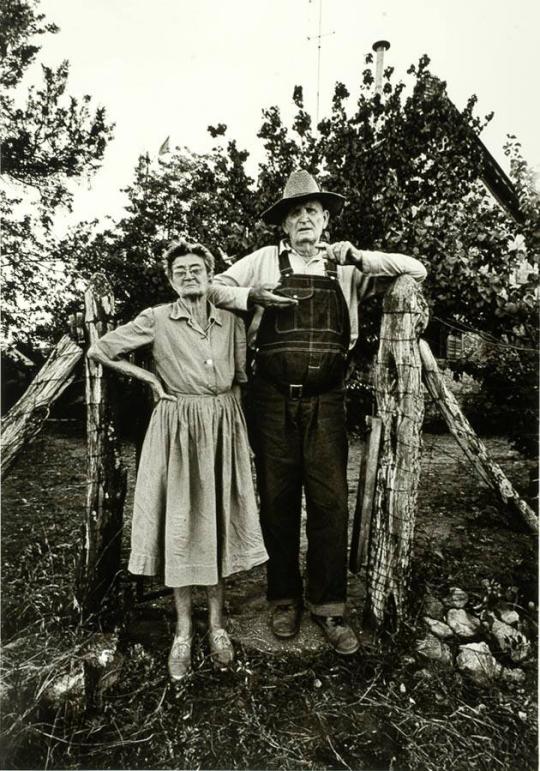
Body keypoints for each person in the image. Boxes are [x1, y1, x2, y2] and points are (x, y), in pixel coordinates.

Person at [214, 169, 427, 655]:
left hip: (328, 400)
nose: (304, 218)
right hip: (271, 401)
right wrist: (252, 296)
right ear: (284, 227)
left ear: (326, 219)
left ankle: (329, 607)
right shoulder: (266, 260)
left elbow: (416, 270)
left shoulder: (347, 268)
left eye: (312, 210)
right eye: (295, 213)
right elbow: (214, 287)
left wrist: (361, 256)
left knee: (330, 502)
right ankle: (285, 598)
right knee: (279, 499)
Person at [87, 239, 275, 682]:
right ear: (171, 280)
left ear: (210, 276)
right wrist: (150, 378)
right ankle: (183, 633)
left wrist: (238, 434)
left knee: (215, 525)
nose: (190, 276)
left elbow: (240, 379)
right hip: (176, 430)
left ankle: (218, 627)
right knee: (180, 526)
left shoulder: (229, 320)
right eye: (181, 271)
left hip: (223, 428)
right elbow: (100, 350)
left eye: (197, 269)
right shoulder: (156, 318)